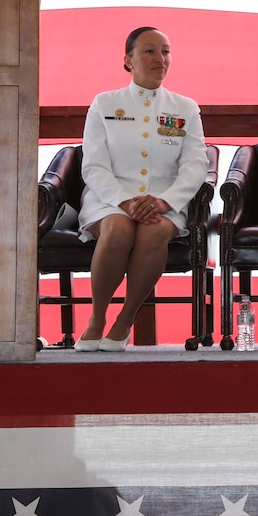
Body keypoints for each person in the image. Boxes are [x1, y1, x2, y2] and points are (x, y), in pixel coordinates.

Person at [74, 27, 209, 352]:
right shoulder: (105, 103)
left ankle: (125, 320)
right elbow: (93, 165)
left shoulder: (185, 107)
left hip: (164, 203)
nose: (160, 59)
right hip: (110, 201)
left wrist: (166, 201)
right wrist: (124, 201)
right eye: (149, 51)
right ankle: (97, 318)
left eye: (165, 51)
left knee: (152, 232)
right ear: (128, 60)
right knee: (118, 230)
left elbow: (196, 165)